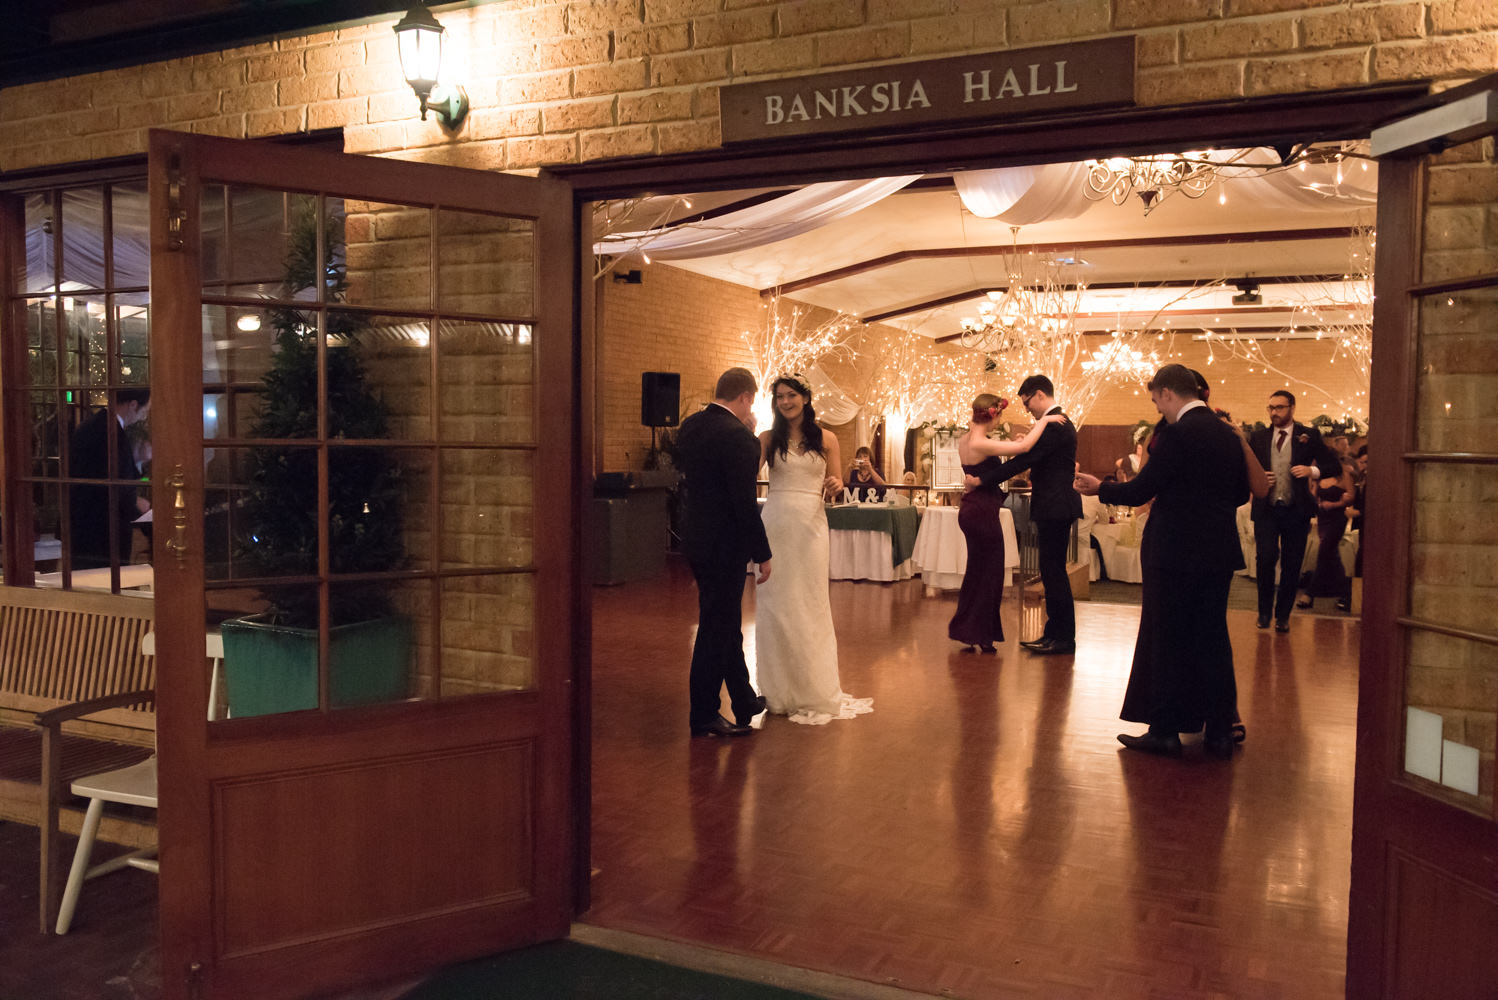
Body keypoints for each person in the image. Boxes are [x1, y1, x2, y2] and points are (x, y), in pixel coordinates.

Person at [1074, 364, 1251, 759]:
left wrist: (1100, 488)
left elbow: (1141, 491)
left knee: (1168, 638)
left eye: (1156, 399)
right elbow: (1241, 494)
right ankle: (1220, 731)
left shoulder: (1177, 434)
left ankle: (1165, 732)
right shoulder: (1226, 433)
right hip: (1217, 552)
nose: (1158, 407)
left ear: (1169, 394)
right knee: (1213, 640)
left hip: (1174, 551)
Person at [754, 375, 872, 725]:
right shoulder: (766, 439)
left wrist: (835, 483)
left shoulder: (828, 438)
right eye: (779, 397)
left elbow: (834, 485)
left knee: (810, 603)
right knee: (776, 605)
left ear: (805, 398)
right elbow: (745, 477)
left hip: (811, 526)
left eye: (791, 395)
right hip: (776, 521)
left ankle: (813, 689)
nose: (785, 402)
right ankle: (777, 691)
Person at [675, 368, 772, 738]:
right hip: (724, 546)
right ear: (746, 397)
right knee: (716, 628)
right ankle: (703, 714)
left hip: (696, 540)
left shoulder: (691, 426)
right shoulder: (740, 438)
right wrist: (762, 552)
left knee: (726, 622)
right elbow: (743, 504)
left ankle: (744, 699)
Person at [965, 374, 1082, 655]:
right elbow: (1030, 455)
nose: (1027, 409)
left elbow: (1025, 459)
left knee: (1053, 573)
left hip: (1056, 506)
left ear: (1040, 395)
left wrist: (983, 481)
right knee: (1051, 571)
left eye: (1028, 402)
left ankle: (1062, 638)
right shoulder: (1053, 425)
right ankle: (1054, 633)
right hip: (1054, 505)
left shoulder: (1057, 424)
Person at [1247, 390, 1336, 633]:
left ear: (1292, 408)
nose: (1274, 412)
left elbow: (1333, 465)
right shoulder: (1259, 437)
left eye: (1280, 407)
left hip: (1296, 510)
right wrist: (1257, 477)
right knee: (1264, 559)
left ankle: (1283, 616)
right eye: (1271, 408)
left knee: (1292, 563)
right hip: (1266, 508)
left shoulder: (1308, 436)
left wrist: (1312, 472)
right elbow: (1243, 467)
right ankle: (1264, 612)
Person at [69, 388, 152, 569]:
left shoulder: (96, 426)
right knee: (102, 581)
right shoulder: (110, 432)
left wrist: (138, 460)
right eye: (145, 411)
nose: (144, 417)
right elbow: (112, 484)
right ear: (132, 405)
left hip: (88, 526)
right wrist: (138, 504)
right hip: (102, 529)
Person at [1297, 470, 1352, 612]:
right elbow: (1313, 498)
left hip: (1337, 518)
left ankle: (1309, 594)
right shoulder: (1319, 476)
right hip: (1323, 518)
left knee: (1324, 552)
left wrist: (1334, 504)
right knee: (1331, 555)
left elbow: (1351, 498)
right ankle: (1347, 593)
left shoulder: (1344, 475)